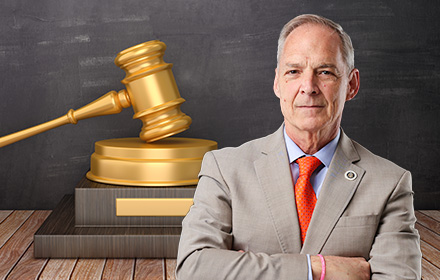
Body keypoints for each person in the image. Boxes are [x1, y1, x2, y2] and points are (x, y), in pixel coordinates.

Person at [176, 14, 421, 279]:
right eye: (293, 71)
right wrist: (315, 269)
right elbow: (194, 267)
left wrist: (244, 267)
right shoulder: (225, 170)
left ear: (351, 84)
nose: (308, 87)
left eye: (325, 72)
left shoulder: (390, 183)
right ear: (277, 82)